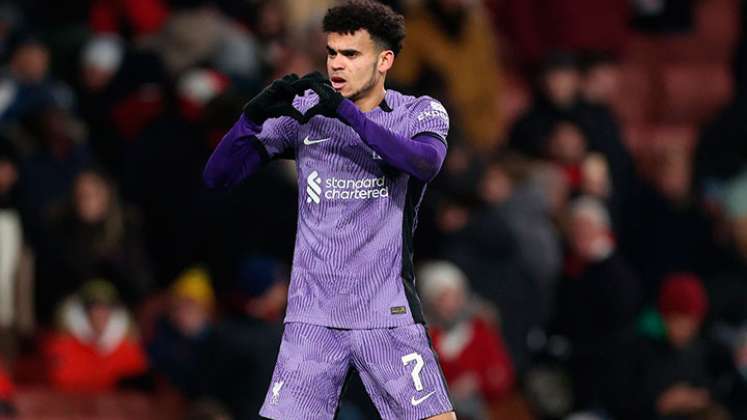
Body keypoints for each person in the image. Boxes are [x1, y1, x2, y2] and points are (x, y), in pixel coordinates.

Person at [203, 1, 455, 418]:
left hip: (385, 314)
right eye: (332, 53)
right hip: (313, 317)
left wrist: (348, 115)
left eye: (351, 54)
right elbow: (218, 177)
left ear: (384, 60)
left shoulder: (418, 112)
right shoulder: (309, 118)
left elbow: (424, 164)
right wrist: (250, 118)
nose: (337, 64)